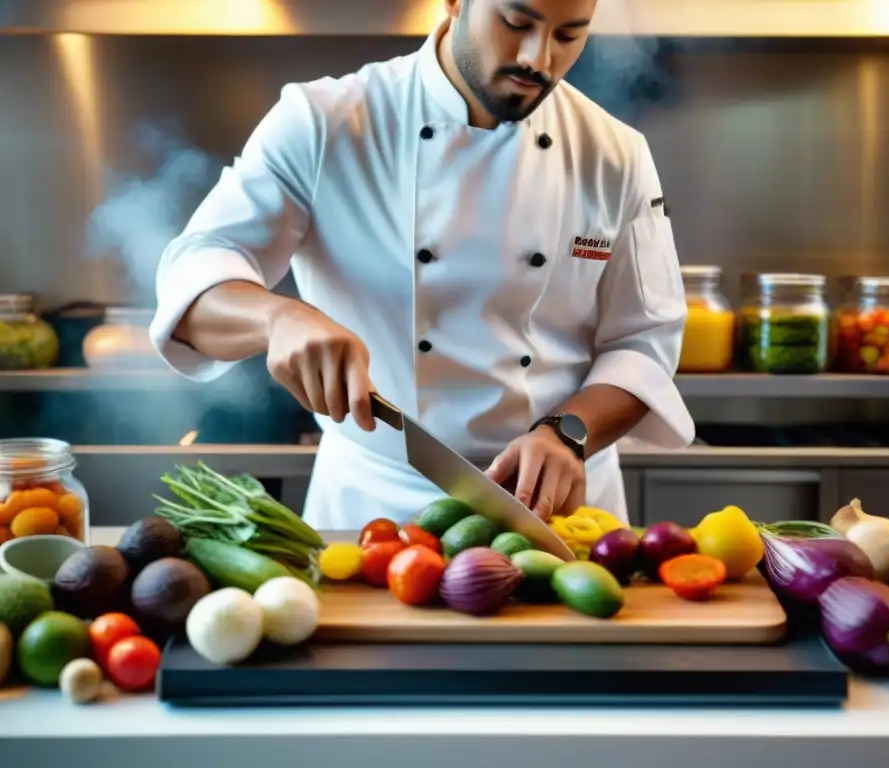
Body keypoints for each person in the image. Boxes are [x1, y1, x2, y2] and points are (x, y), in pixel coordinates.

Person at [149, 0, 694, 532]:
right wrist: (277, 319)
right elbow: (194, 274)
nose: (539, 59)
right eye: (516, 22)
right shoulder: (325, 122)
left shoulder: (616, 155)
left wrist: (568, 434)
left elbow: (643, 343)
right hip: (376, 508)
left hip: (556, 510)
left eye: (569, 35)